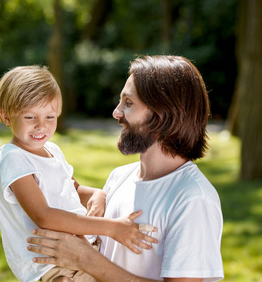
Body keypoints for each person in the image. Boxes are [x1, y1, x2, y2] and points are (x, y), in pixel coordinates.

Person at [27, 56, 224, 282]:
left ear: (163, 114)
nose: (116, 112)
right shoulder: (119, 177)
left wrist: (86, 259)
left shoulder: (193, 198)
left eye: (128, 103)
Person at [0, 65, 158, 282]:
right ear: (6, 117)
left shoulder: (52, 151)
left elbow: (74, 189)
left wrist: (97, 195)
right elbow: (44, 216)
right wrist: (113, 228)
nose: (41, 126)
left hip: (79, 252)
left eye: (50, 117)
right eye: (30, 117)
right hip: (53, 266)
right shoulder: (13, 159)